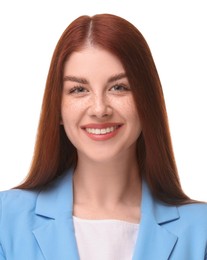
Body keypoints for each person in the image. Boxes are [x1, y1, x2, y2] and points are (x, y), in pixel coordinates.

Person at [0, 13, 206, 260]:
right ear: (58, 108)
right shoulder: (6, 220)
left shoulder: (200, 231)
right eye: (79, 89)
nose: (99, 109)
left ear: (146, 101)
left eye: (119, 87)